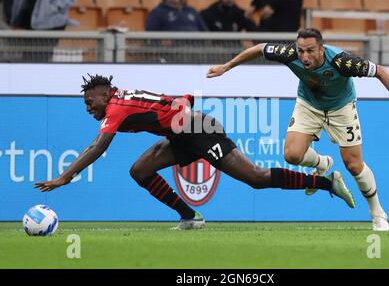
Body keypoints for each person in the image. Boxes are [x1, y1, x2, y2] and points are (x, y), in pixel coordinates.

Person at [35, 74, 356, 230]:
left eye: (90, 102)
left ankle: (327, 182)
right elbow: (171, 103)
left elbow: (98, 146)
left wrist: (66, 176)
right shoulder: (120, 99)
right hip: (182, 133)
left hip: (201, 132)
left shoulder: (116, 108)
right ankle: (190, 217)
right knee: (139, 171)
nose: (88, 108)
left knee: (256, 178)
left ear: (104, 94)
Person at [207, 28, 389, 231]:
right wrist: (226, 67)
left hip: (341, 108)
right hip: (309, 105)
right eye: (301, 50)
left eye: (310, 51)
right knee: (292, 155)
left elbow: (380, 71)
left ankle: (378, 213)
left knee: (353, 165)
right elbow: (260, 48)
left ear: (321, 49)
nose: (304, 56)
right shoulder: (290, 54)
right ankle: (322, 162)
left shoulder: (342, 61)